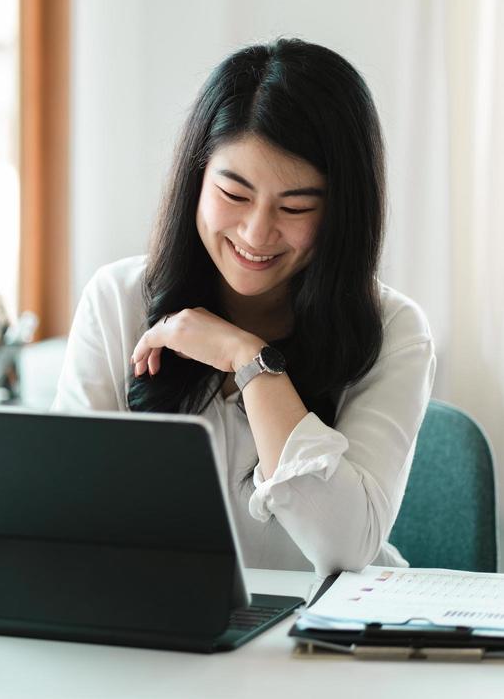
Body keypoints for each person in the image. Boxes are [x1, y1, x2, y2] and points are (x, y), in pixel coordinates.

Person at [54, 38, 435, 577]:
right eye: (234, 195)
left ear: (342, 213)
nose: (256, 233)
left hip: (327, 640)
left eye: (296, 206)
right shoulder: (118, 300)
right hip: (165, 637)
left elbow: (345, 548)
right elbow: (65, 515)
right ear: (197, 180)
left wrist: (250, 362)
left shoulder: (394, 330)